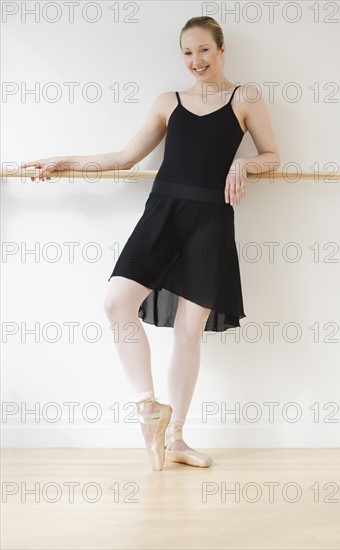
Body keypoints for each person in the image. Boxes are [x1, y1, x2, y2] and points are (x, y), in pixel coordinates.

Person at [22, 16, 280, 471]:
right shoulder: (168, 102)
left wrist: (246, 166)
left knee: (188, 331)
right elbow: (124, 157)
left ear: (222, 50)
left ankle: (177, 438)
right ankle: (148, 408)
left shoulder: (246, 97)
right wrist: (64, 160)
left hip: (210, 221)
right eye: (186, 52)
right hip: (162, 214)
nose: (195, 61)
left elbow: (273, 155)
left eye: (203, 50)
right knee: (116, 302)